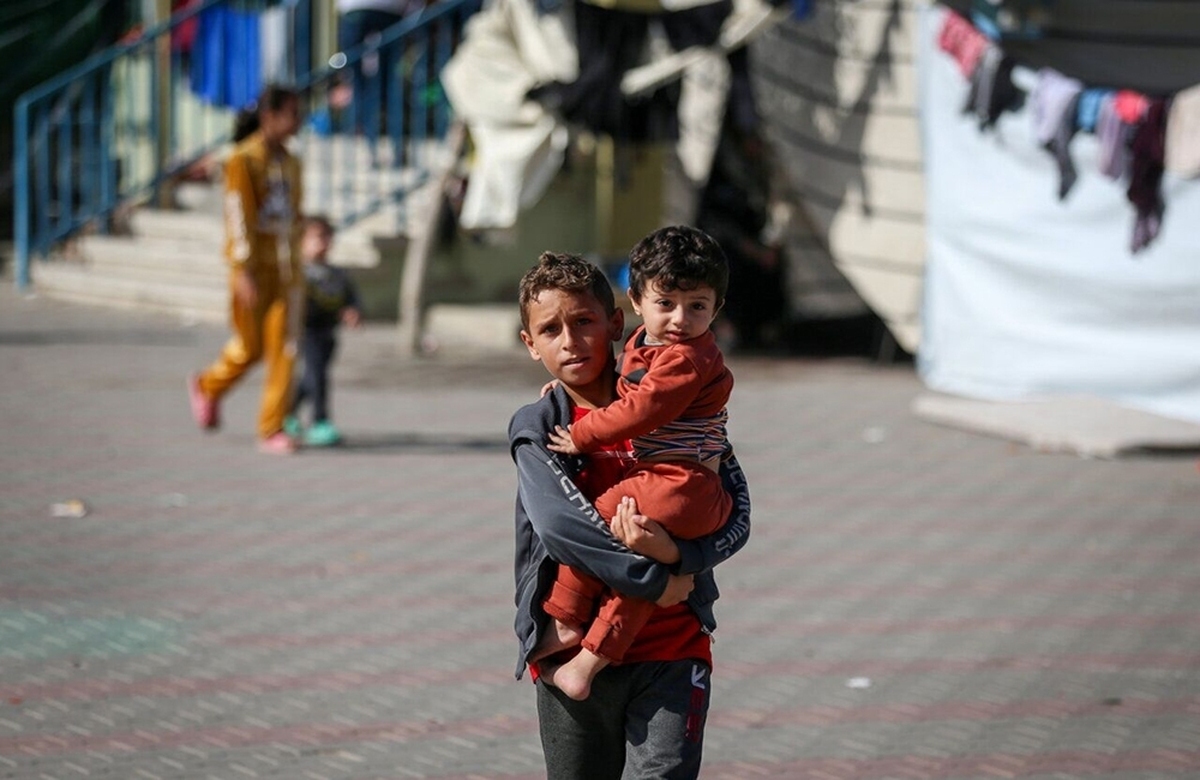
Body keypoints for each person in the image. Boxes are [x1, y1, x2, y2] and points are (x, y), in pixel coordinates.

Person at [508, 250, 751, 779]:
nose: (570, 341)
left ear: (618, 321)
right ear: (531, 344)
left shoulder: (678, 402)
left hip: (673, 648)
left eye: (584, 322)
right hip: (566, 660)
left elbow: (734, 516)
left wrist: (679, 556)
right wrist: (653, 579)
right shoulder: (541, 427)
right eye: (550, 329)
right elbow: (563, 530)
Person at [535, 225, 736, 702]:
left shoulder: (688, 358)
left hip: (680, 482)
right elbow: (625, 386)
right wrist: (565, 397)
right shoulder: (648, 346)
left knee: (597, 523)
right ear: (638, 301)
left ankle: (565, 620)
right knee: (636, 570)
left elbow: (641, 409)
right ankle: (587, 662)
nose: (680, 319)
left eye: (698, 307)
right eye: (666, 303)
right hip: (677, 485)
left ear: (717, 309)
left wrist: (581, 433)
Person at [187, 84, 305, 455]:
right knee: (249, 347)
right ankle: (209, 386)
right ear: (269, 117)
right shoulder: (242, 160)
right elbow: (238, 216)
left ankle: (271, 428)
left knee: (285, 348)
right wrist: (242, 269)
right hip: (254, 268)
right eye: (291, 114)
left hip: (287, 270)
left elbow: (295, 214)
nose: (297, 122)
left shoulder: (291, 162)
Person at [284, 215, 362, 447]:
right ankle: (320, 421)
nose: (324, 242)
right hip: (307, 332)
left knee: (311, 377)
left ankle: (286, 412)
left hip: (328, 332)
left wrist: (353, 311)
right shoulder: (298, 273)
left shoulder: (337, 273)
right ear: (301, 242)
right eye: (317, 237)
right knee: (318, 375)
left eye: (328, 237)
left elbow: (350, 297)